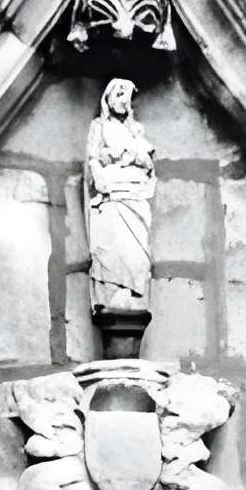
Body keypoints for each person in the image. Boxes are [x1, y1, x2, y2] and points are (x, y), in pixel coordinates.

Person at [84, 78, 155, 313]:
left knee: (137, 255)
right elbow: (93, 159)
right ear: (108, 99)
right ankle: (112, 293)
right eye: (118, 94)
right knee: (111, 249)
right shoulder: (99, 126)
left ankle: (135, 294)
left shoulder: (135, 131)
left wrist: (133, 156)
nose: (122, 100)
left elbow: (147, 164)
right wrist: (102, 178)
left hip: (135, 195)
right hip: (112, 196)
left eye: (126, 96)